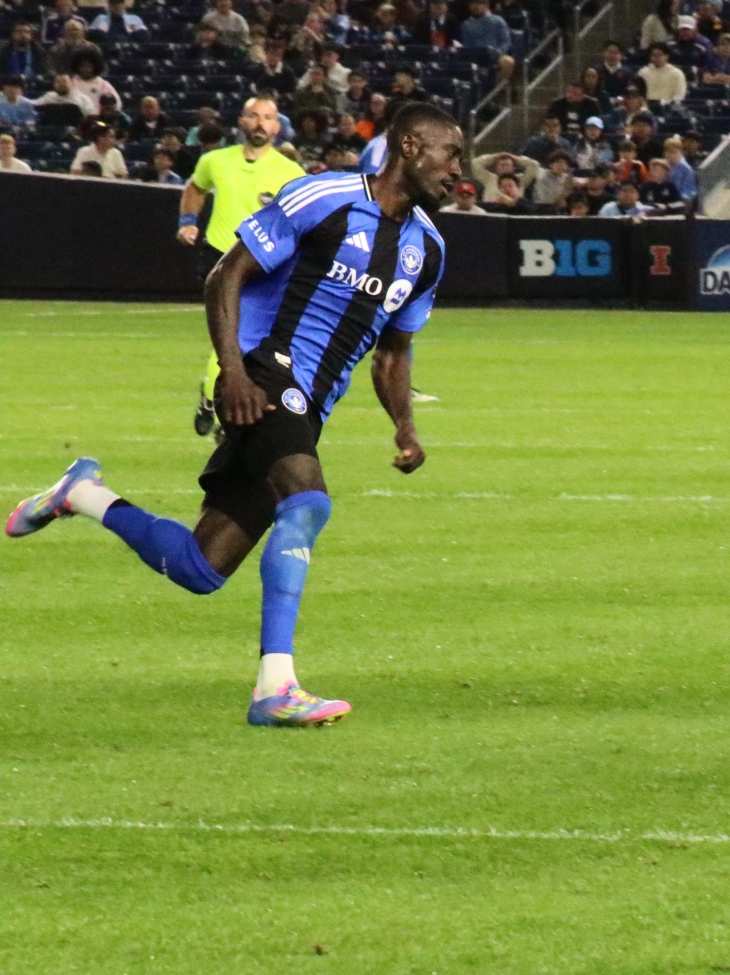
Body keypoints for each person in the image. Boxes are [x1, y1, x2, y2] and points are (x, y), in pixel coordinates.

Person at [6, 102, 462, 727]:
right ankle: (276, 686)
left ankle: (81, 493)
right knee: (307, 503)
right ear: (410, 146)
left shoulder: (428, 249)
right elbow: (225, 275)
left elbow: (394, 350)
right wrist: (234, 373)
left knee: (201, 567)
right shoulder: (326, 197)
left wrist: (404, 426)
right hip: (267, 374)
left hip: (309, 404)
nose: (458, 171)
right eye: (451, 154)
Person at [179, 96, 308, 436]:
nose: (260, 122)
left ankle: (213, 398)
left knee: (242, 335)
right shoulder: (215, 161)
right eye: (253, 115)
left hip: (263, 264)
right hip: (220, 260)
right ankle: (221, 408)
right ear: (242, 121)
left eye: (267, 117)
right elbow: (195, 188)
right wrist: (187, 221)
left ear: (277, 127)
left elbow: (302, 218)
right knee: (233, 333)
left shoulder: (290, 173)